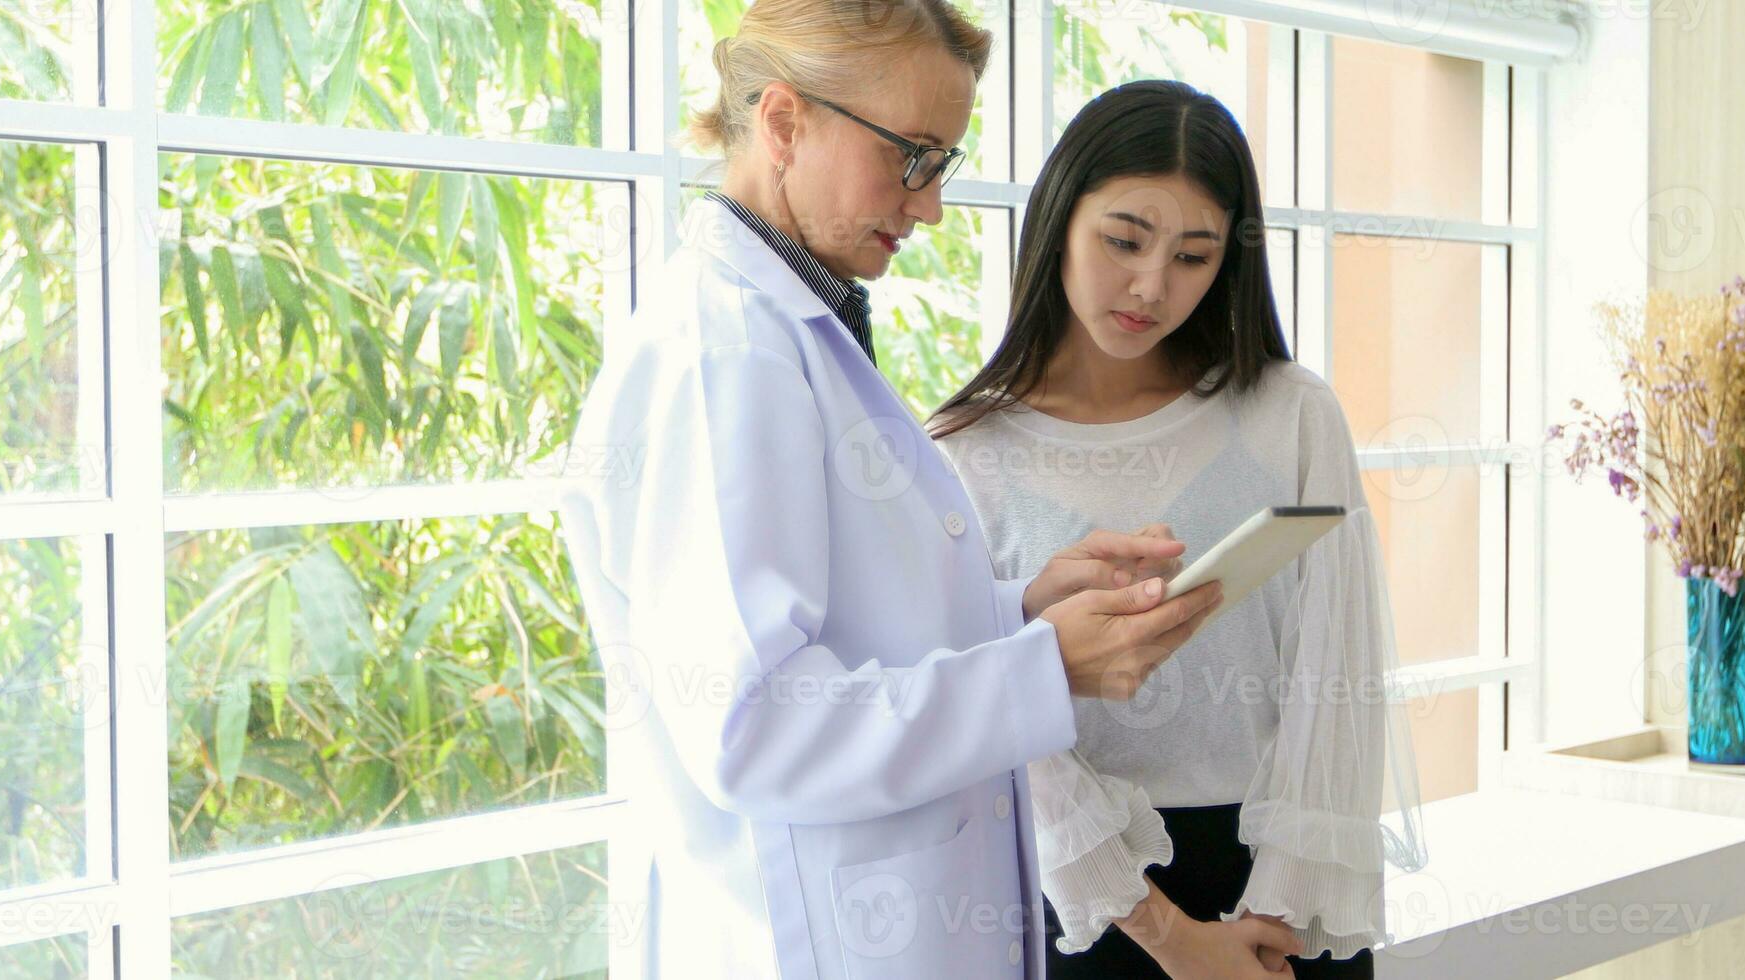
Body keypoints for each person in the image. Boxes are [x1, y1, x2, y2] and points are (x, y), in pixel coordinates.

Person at [554, 7, 1266, 979]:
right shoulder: (723, 359)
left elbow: (846, 632)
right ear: (782, 123)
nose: (926, 206)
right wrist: (1042, 668)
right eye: (911, 157)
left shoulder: (795, 331)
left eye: (942, 163)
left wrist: (1017, 608)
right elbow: (753, 724)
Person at [929, 80, 1428, 979]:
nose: (1150, 286)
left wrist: (1273, 913)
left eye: (1193, 257)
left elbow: (1339, 674)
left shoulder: (1289, 414)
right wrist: (1168, 935)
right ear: (1056, 220)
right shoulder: (966, 452)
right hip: (1087, 912)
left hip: (1287, 898)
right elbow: (998, 726)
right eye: (1122, 240)